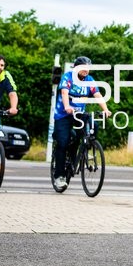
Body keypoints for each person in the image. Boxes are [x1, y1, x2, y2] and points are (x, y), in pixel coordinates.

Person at [51, 56, 111, 189]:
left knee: (93, 126)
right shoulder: (68, 77)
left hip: (79, 114)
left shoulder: (89, 80)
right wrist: (67, 106)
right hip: (63, 115)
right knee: (62, 142)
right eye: (83, 68)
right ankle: (59, 176)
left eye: (88, 68)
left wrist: (106, 109)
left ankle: (87, 147)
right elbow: (65, 93)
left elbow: (97, 95)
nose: (86, 70)